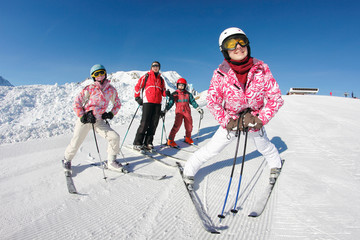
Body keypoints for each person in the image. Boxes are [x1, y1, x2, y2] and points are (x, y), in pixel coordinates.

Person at [183, 27, 284, 186]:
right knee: (213, 149)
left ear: (247, 45)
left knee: (263, 145)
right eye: (231, 43)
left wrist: (260, 119)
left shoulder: (261, 69)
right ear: (225, 50)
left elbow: (275, 98)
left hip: (254, 119)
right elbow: (212, 101)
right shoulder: (220, 74)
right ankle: (188, 169)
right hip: (232, 120)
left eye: (241, 41)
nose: (238, 46)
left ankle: (276, 164)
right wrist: (228, 121)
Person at [63, 64, 122, 174]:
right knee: (76, 141)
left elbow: (117, 104)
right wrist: (82, 116)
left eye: (102, 73)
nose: (100, 76)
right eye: (97, 74)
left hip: (99, 121)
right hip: (86, 120)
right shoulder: (89, 89)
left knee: (114, 137)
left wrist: (110, 114)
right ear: (93, 76)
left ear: (105, 74)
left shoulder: (111, 90)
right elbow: (77, 103)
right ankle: (67, 160)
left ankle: (111, 161)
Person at [133, 61, 166, 151]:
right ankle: (137, 143)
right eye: (154, 66)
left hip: (158, 103)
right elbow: (137, 87)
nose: (155, 67)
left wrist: (166, 93)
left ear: (159, 67)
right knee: (145, 123)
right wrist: (137, 98)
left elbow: (163, 92)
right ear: (151, 67)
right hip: (147, 102)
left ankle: (148, 142)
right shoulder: (146, 76)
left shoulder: (161, 79)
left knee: (154, 124)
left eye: (157, 66)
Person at [164, 78, 204, 147]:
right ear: (177, 85)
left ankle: (188, 138)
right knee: (177, 126)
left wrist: (198, 108)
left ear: (185, 86)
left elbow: (193, 102)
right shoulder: (174, 94)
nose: (181, 86)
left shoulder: (188, 94)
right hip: (179, 112)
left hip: (187, 111)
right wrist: (166, 109)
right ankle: (170, 140)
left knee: (189, 125)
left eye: (183, 85)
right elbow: (170, 103)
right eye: (180, 85)